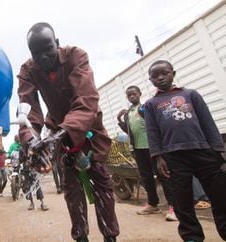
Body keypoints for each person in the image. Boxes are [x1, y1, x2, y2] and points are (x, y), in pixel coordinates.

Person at [17, 22, 119, 242]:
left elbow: (86, 100)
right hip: (58, 135)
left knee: (102, 185)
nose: (43, 57)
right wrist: (31, 140)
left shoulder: (76, 56)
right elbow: (27, 110)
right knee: (71, 190)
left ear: (57, 43)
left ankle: (110, 237)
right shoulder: (28, 70)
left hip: (89, 129)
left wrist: (62, 133)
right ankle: (80, 237)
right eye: (37, 53)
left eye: (48, 49)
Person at [144, 60, 226, 242]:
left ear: (173, 73)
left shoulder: (191, 94)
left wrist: (218, 150)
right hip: (173, 158)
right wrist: (158, 157)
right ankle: (191, 236)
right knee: (182, 201)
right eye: (155, 76)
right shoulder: (150, 104)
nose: (160, 78)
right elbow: (152, 132)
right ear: (150, 80)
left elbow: (207, 122)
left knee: (220, 195)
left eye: (164, 73)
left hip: (203, 151)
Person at [117, 85, 176, 221]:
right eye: (129, 95)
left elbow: (155, 125)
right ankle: (152, 204)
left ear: (140, 94)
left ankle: (173, 207)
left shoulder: (145, 108)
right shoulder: (128, 113)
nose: (132, 97)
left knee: (163, 176)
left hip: (152, 148)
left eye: (134, 94)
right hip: (138, 149)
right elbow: (129, 131)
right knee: (146, 177)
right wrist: (120, 120)